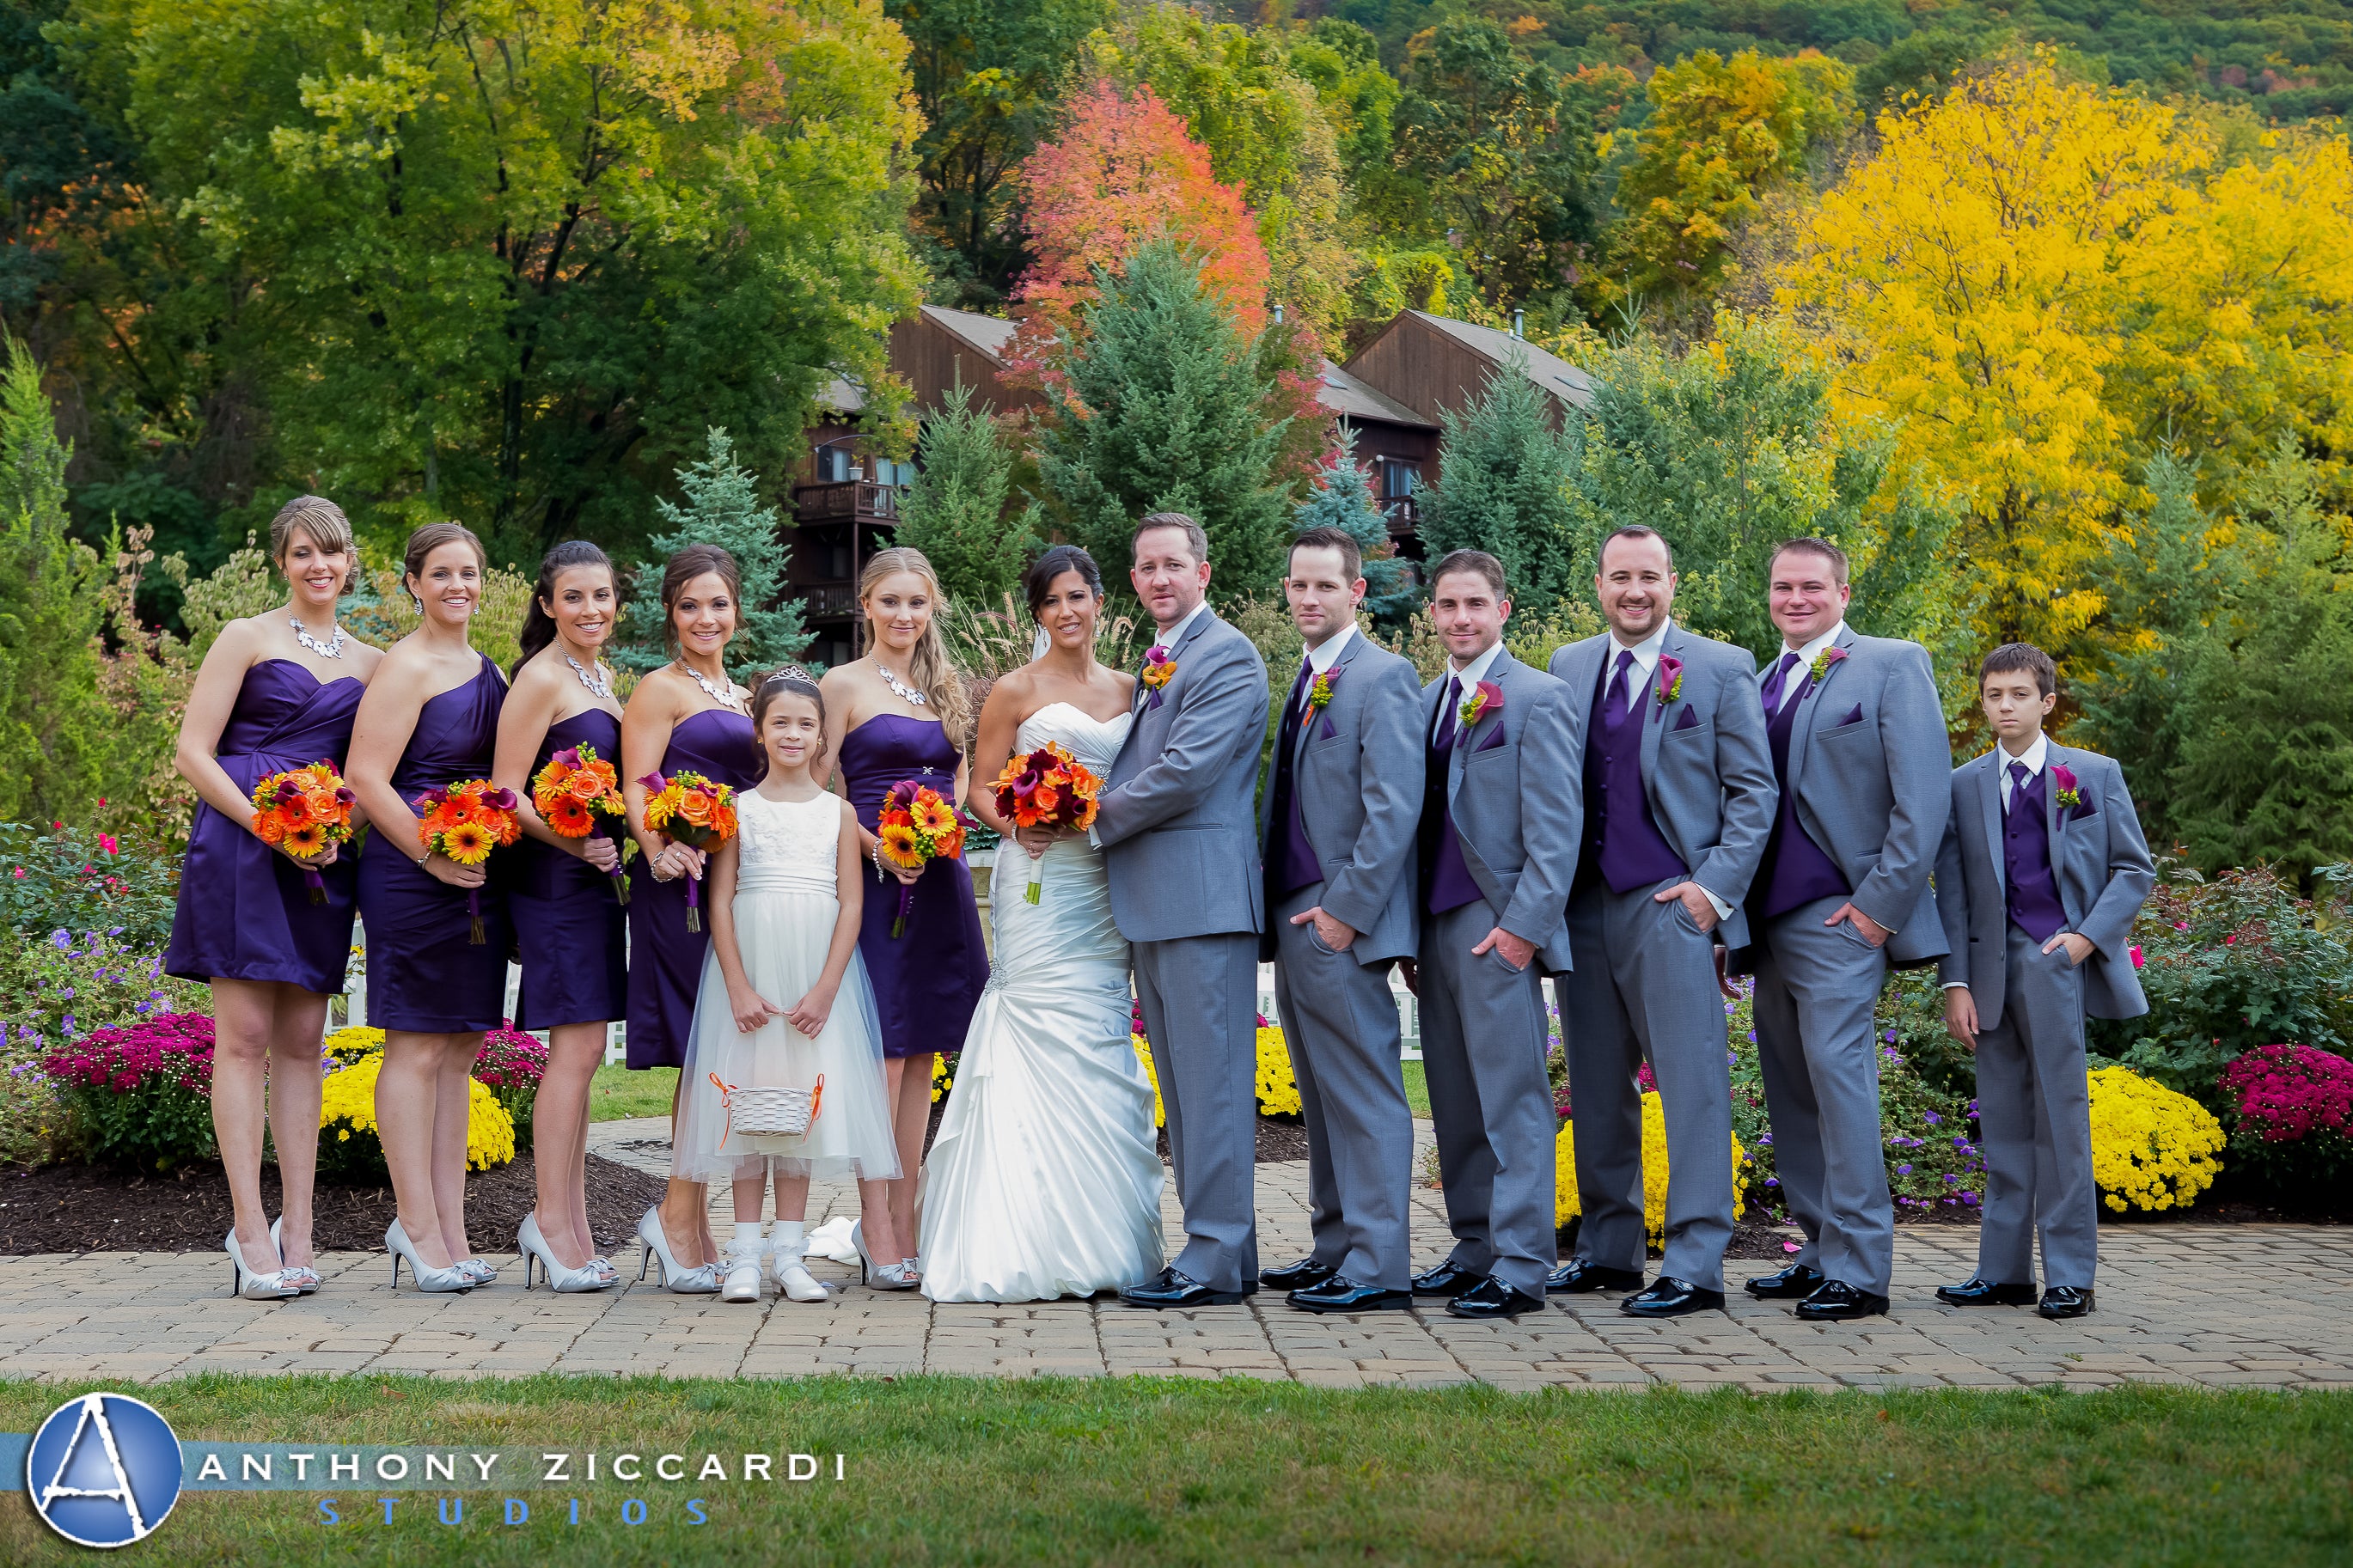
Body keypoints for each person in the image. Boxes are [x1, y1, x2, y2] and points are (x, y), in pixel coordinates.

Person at [920, 545, 1166, 1303]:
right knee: (1033, 1023)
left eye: (1078, 596)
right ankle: (1014, 1231)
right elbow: (980, 789)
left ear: (1099, 602)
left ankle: (1101, 1234)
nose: (1067, 611)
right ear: (1038, 613)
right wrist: (1019, 821)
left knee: (1096, 1031)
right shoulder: (1014, 690)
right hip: (1038, 880)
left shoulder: (1135, 688)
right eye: (1052, 601)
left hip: (1101, 880)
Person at [1545, 526, 1777, 1317]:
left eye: (1648, 576)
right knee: (1597, 1087)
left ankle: (1696, 1263)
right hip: (1582, 909)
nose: (1633, 591)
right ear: (1599, 585)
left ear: (1674, 581)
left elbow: (1754, 793)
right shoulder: (1569, 666)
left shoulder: (1719, 667)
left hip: (1671, 907)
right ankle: (1609, 1251)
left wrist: (1713, 893)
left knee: (1692, 1088)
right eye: (1619, 577)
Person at [167, 495, 383, 1298]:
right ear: (282, 562)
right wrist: (264, 822)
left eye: (330, 552)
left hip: (322, 855)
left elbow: (370, 769)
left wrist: (338, 829)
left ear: (350, 560)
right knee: (246, 1033)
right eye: (302, 553)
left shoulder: (372, 661)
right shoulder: (246, 638)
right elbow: (194, 750)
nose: (318, 566)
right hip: (239, 843)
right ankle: (248, 1228)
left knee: (303, 1038)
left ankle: (302, 1226)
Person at [1733, 537, 1950, 1321]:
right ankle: (1819, 1248)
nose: (1795, 598)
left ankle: (1861, 1270)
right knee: (1792, 1089)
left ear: (1843, 593)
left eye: (1811, 587)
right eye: (1782, 586)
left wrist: (1875, 910)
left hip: (1842, 922)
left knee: (1841, 1083)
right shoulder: (1760, 682)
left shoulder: (1891, 664)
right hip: (1771, 923)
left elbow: (1922, 802)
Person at [1934, 644, 2154, 1321]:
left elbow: (2133, 868)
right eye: (1994, 694)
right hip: (1989, 969)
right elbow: (1954, 894)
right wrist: (1955, 983)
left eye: (2019, 695)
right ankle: (2002, 1273)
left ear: (2047, 702)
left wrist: (2087, 936)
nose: (2004, 706)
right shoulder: (1962, 783)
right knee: (2001, 1122)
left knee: (2061, 1125)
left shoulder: (2092, 772)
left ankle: (2070, 1276)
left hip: (2056, 959)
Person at [668, 669, 901, 1301]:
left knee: (802, 1109)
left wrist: (827, 988)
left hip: (815, 973)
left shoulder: (839, 813)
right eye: (781, 723)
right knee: (751, 1104)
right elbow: (721, 902)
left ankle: (790, 1256)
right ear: (760, 732)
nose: (793, 733)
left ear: (822, 735)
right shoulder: (738, 810)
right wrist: (738, 987)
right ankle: (743, 1255)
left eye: (805, 723)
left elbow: (851, 905)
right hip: (753, 968)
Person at [1097, 514, 1271, 1309]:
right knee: (1188, 1087)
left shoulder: (1227, 654)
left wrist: (1086, 813)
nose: (1160, 578)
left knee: (1212, 1090)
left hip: (1202, 903)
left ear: (1205, 571)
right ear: (1133, 581)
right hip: (1160, 903)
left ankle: (1212, 1257)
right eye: (1146, 568)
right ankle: (1226, 1255)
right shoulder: (1163, 656)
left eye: (1174, 564)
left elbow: (1186, 773)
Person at [1407, 549, 1580, 1321]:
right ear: (1433, 616)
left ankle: (1521, 1264)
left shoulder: (1540, 697)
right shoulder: (1425, 701)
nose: (1462, 619)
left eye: (1475, 604)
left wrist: (1523, 931)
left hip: (1495, 921)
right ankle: (1473, 1245)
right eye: (1448, 606)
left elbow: (1558, 830)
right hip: (1435, 926)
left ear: (1503, 609)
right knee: (1454, 1097)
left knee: (1513, 1098)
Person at [1255, 527, 1425, 1314]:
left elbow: (1396, 809)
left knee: (1364, 1091)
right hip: (1295, 916)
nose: (1310, 598)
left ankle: (1381, 1262)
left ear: (1357, 591)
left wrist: (1346, 915)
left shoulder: (1384, 676)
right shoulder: (1308, 674)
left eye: (1326, 585)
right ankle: (1335, 1242)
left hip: (1337, 918)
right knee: (1321, 1091)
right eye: (1299, 585)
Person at [347, 522, 510, 1293]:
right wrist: (430, 853)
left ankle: (453, 1228)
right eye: (441, 573)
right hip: (412, 872)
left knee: (459, 1051)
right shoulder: (405, 666)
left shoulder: (491, 669)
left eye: (469, 573)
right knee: (414, 1047)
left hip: (472, 873)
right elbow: (366, 776)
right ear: (413, 582)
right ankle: (414, 1225)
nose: (458, 586)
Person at [819, 546, 987, 1284]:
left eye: (917, 603)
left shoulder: (946, 686)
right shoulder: (841, 684)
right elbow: (815, 788)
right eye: (890, 602)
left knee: (922, 1054)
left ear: (932, 608)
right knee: (882, 1055)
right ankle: (876, 1222)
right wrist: (878, 848)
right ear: (866, 605)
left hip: (937, 877)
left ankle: (908, 1214)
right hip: (874, 878)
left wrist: (941, 820)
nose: (904, 616)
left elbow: (957, 772)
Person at [621, 544, 763, 1291]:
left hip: (741, 893)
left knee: (724, 1057)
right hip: (681, 886)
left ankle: (692, 1219)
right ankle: (677, 1218)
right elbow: (637, 783)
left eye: (717, 604)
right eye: (690, 605)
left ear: (736, 611)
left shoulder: (743, 697)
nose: (705, 618)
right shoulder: (660, 689)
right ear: (671, 614)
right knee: (703, 1052)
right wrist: (658, 850)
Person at [491, 541, 627, 1292]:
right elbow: (506, 792)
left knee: (589, 1054)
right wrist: (573, 842)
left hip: (594, 884)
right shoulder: (542, 678)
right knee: (571, 1056)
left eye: (601, 595)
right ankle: (548, 1222)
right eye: (574, 597)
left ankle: (571, 1222)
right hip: (553, 883)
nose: (591, 610)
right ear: (547, 605)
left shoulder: (599, 677)